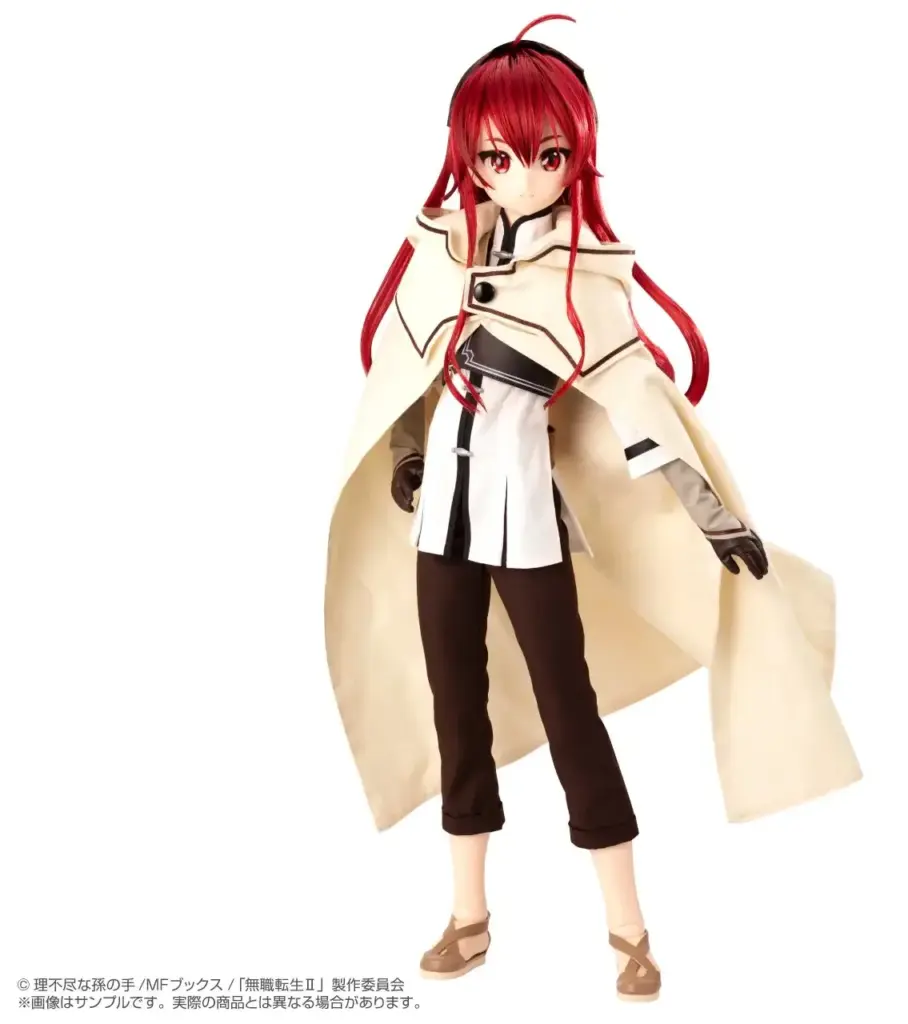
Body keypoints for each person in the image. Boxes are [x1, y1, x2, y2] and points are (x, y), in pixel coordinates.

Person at [323, 13, 861, 1003]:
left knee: (572, 715)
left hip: (525, 525)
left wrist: (715, 517)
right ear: (468, 155)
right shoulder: (441, 251)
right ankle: (468, 915)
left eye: (547, 155)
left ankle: (628, 929)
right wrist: (407, 458)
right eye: (497, 157)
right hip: (440, 526)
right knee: (455, 718)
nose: (523, 176)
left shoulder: (582, 276)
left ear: (576, 155)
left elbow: (642, 408)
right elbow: (403, 380)